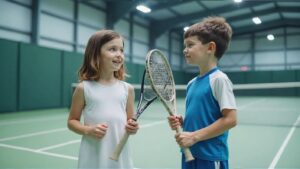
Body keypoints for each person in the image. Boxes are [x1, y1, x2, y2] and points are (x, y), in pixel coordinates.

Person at [168, 16, 237, 169]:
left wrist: (194, 136)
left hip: (211, 157)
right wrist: (183, 122)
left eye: (190, 45)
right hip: (189, 153)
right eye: (185, 45)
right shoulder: (191, 83)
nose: (185, 50)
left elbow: (231, 119)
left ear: (210, 48)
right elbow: (204, 116)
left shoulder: (219, 80)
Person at [67, 30, 139, 169]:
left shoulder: (127, 89)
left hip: (120, 157)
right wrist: (88, 130)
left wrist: (133, 127)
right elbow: (72, 121)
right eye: (112, 49)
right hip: (92, 156)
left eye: (121, 50)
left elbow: (130, 122)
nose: (119, 54)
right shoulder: (83, 88)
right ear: (96, 54)